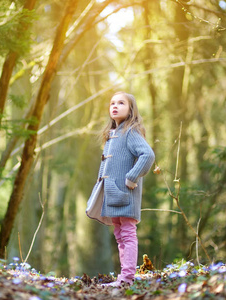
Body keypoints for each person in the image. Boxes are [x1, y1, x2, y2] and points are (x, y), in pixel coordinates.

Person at [86, 91, 155, 287]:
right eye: (112, 103)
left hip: (125, 193)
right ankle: (123, 278)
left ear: (131, 109)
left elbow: (147, 155)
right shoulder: (112, 135)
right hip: (113, 194)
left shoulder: (130, 132)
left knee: (127, 233)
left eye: (121, 103)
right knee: (119, 235)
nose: (115, 106)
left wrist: (131, 177)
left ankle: (127, 279)